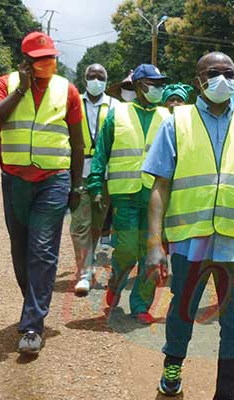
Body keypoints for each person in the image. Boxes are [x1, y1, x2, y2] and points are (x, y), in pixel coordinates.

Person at [143, 51, 234, 398]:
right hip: (190, 239)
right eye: (215, 73)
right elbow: (160, 187)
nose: (224, 80)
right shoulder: (176, 122)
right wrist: (155, 244)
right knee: (182, 309)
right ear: (199, 78)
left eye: (230, 74)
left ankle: (227, 394)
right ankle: (173, 364)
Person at [0, 31, 85, 355]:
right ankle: (33, 302)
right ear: (26, 63)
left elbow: (78, 143)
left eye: (52, 57)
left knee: (42, 250)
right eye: (41, 60)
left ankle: (32, 325)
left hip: (54, 180)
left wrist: (76, 185)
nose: (48, 64)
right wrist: (20, 91)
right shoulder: (5, 84)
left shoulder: (67, 90)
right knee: (20, 249)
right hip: (14, 180)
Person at [88, 64, 169, 324]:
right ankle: (115, 283)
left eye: (160, 83)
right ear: (138, 85)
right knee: (125, 249)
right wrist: (96, 183)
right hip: (125, 194)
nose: (157, 88)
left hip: (156, 194)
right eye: (152, 83)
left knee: (150, 251)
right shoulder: (118, 114)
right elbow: (102, 151)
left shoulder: (167, 117)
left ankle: (140, 305)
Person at [70, 63, 118, 297]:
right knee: (80, 225)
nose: (96, 80)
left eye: (100, 76)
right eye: (92, 76)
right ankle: (84, 274)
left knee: (96, 225)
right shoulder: (73, 102)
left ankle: (87, 265)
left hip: (105, 174)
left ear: (106, 80)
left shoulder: (116, 107)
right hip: (79, 170)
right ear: (84, 79)